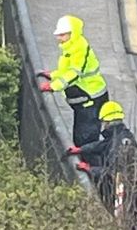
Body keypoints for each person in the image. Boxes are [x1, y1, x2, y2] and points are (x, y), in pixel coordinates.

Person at [41, 14, 110, 154]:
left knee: (86, 140)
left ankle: (92, 171)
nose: (58, 38)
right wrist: (54, 75)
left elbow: (74, 73)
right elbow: (66, 70)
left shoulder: (79, 48)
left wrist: (54, 86)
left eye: (62, 34)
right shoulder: (71, 47)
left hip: (91, 98)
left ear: (71, 33)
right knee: (80, 137)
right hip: (85, 100)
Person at [66, 101, 137, 213]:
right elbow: (102, 145)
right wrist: (82, 149)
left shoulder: (116, 145)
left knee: (121, 219)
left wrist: (90, 169)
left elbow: (112, 172)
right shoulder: (123, 136)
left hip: (121, 194)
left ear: (107, 122)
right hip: (133, 192)